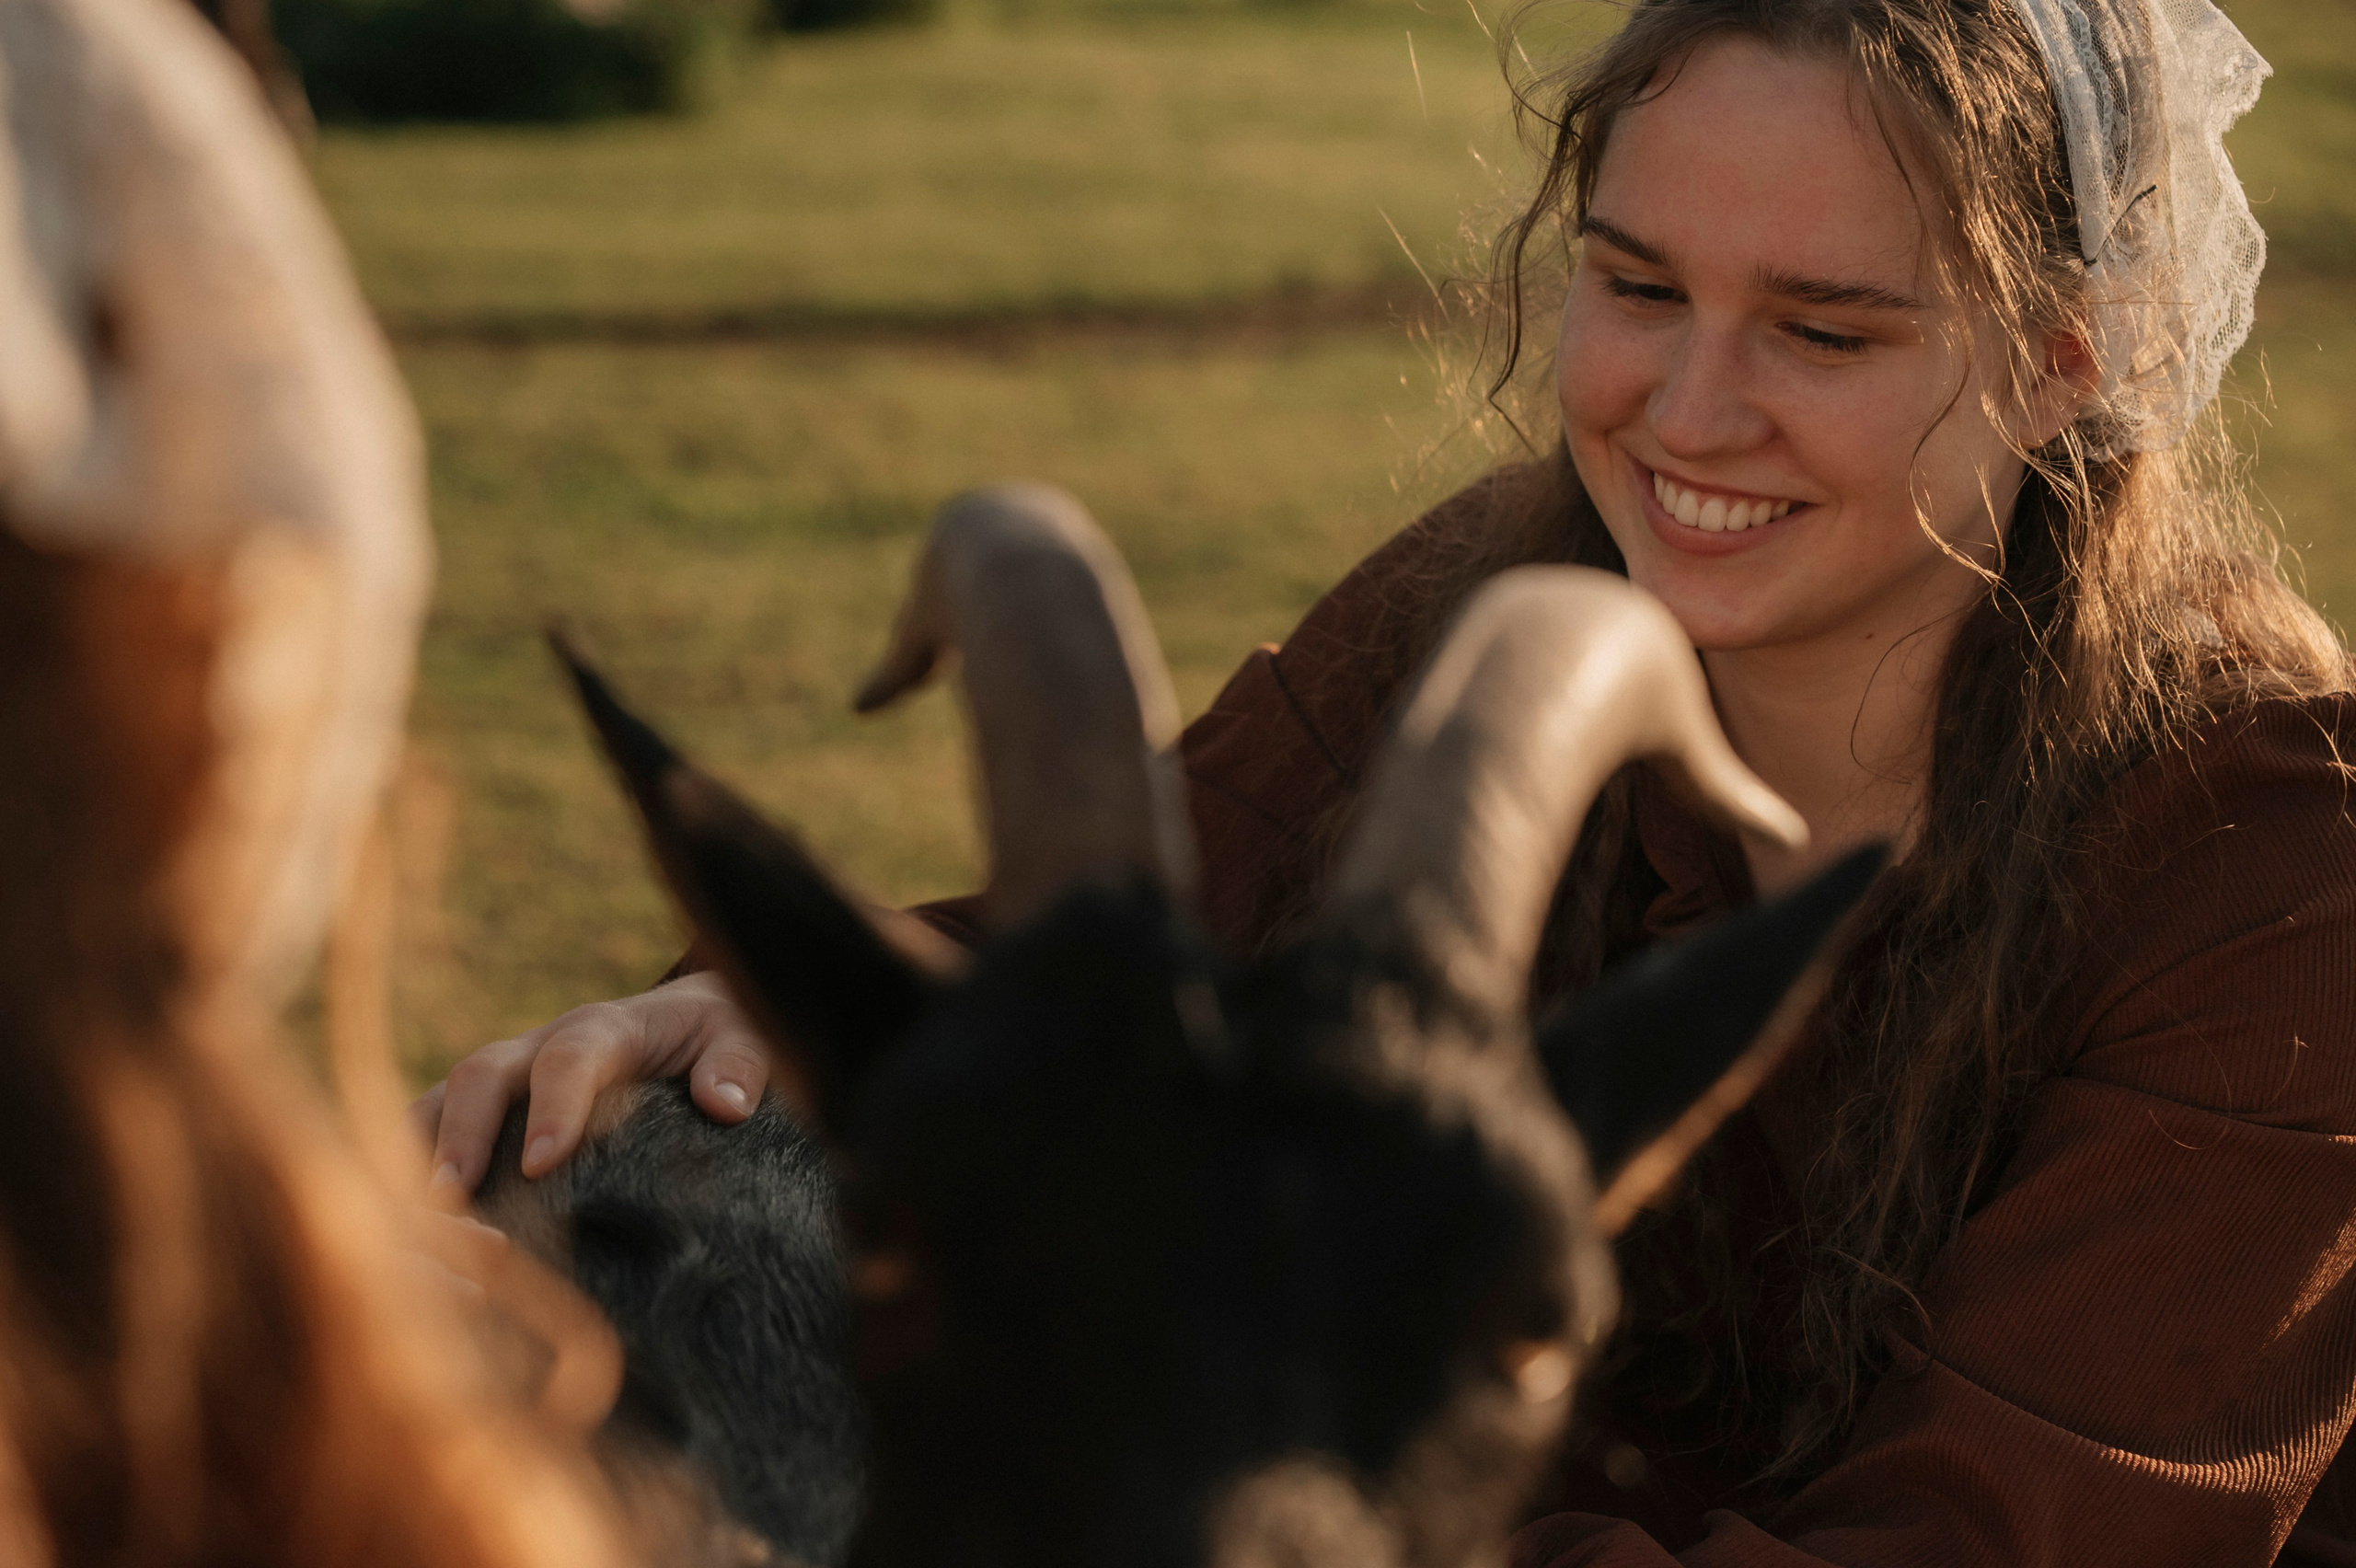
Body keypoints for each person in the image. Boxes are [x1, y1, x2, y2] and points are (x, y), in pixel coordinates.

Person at [411, 0, 2356, 1561]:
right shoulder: (1497, 601)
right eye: (1635, 287)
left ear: (2058, 356)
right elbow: (1113, 980)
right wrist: (748, 1027)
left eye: (1822, 330)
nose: (1683, 414)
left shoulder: (2275, 853)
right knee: (669, 1195)